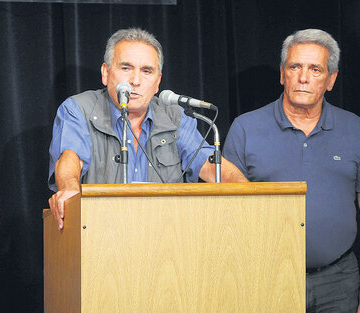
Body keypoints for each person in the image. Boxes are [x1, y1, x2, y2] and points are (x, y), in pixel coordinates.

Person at [48, 27, 248, 230]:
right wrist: (69, 190)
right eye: (126, 68)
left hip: (166, 238)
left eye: (146, 71)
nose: (135, 81)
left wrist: (248, 193)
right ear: (106, 73)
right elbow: (70, 159)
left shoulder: (175, 117)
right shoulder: (79, 109)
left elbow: (211, 166)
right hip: (102, 233)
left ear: (158, 82)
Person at [223, 29, 360, 312]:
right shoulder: (245, 128)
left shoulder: (355, 129)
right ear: (283, 74)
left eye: (315, 69)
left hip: (338, 282)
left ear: (331, 80)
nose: (304, 77)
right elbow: (227, 218)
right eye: (295, 66)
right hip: (267, 277)